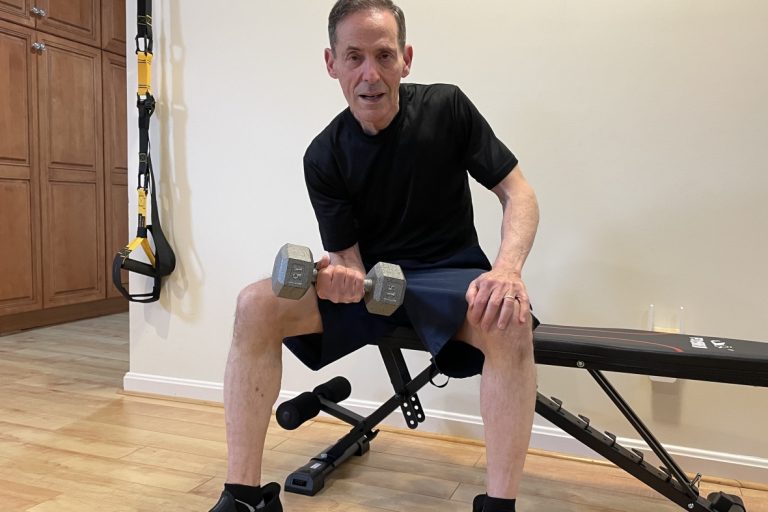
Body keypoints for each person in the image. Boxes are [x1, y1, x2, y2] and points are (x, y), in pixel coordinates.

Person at [209, 1, 539, 511]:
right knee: (255, 302)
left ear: (405, 59)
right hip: (375, 289)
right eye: (354, 56)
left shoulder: (447, 109)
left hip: (451, 277)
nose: (371, 74)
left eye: (384, 55)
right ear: (331, 63)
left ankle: (499, 505)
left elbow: (518, 193)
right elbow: (349, 260)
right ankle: (244, 496)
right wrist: (340, 276)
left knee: (508, 314)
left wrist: (508, 269)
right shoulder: (324, 155)